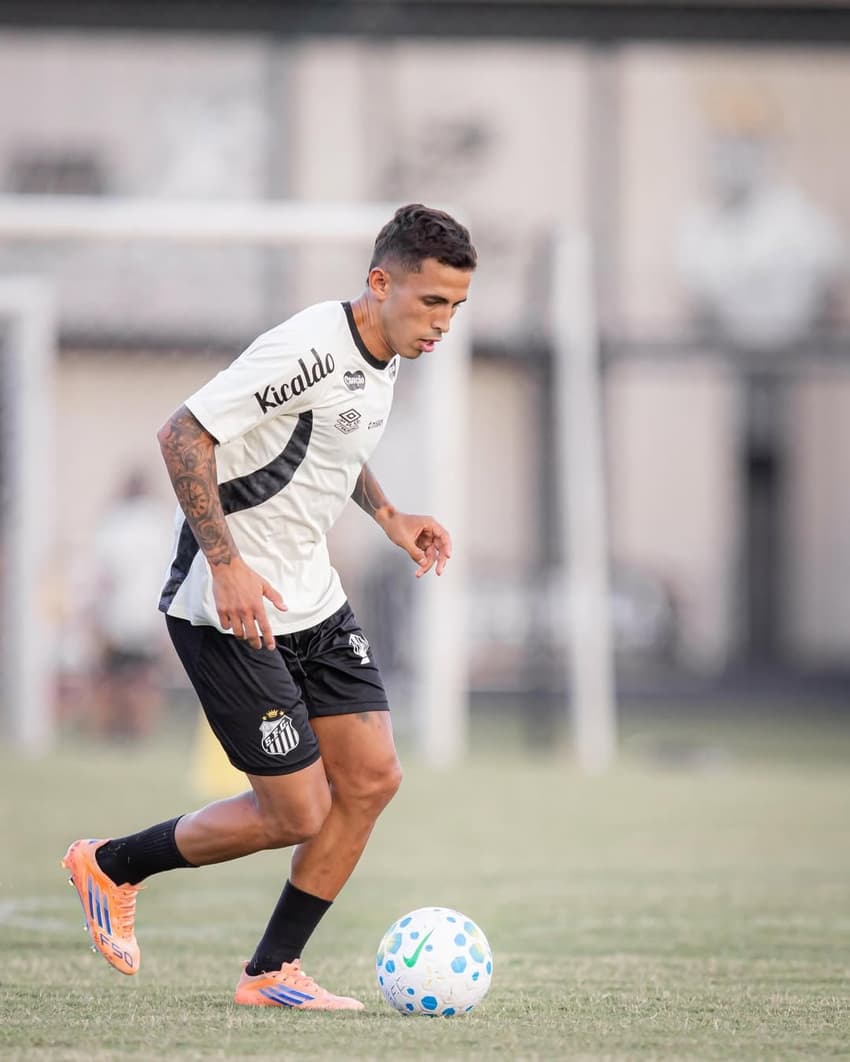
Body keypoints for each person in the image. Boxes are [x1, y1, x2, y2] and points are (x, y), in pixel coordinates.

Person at [62, 203, 477, 1011]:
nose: (445, 324)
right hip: (230, 606)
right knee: (296, 810)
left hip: (311, 599)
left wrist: (390, 516)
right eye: (432, 302)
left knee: (373, 779)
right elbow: (183, 435)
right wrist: (226, 565)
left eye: (457, 307)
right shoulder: (308, 347)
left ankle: (271, 973)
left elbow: (332, 442)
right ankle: (110, 865)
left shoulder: (386, 353)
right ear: (380, 282)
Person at [86, 470, 172, 740]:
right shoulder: (161, 522)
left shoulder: (113, 522)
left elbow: (102, 575)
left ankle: (111, 730)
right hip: (150, 612)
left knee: (111, 677)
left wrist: (95, 616)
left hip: (117, 614)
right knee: (144, 678)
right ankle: (140, 731)